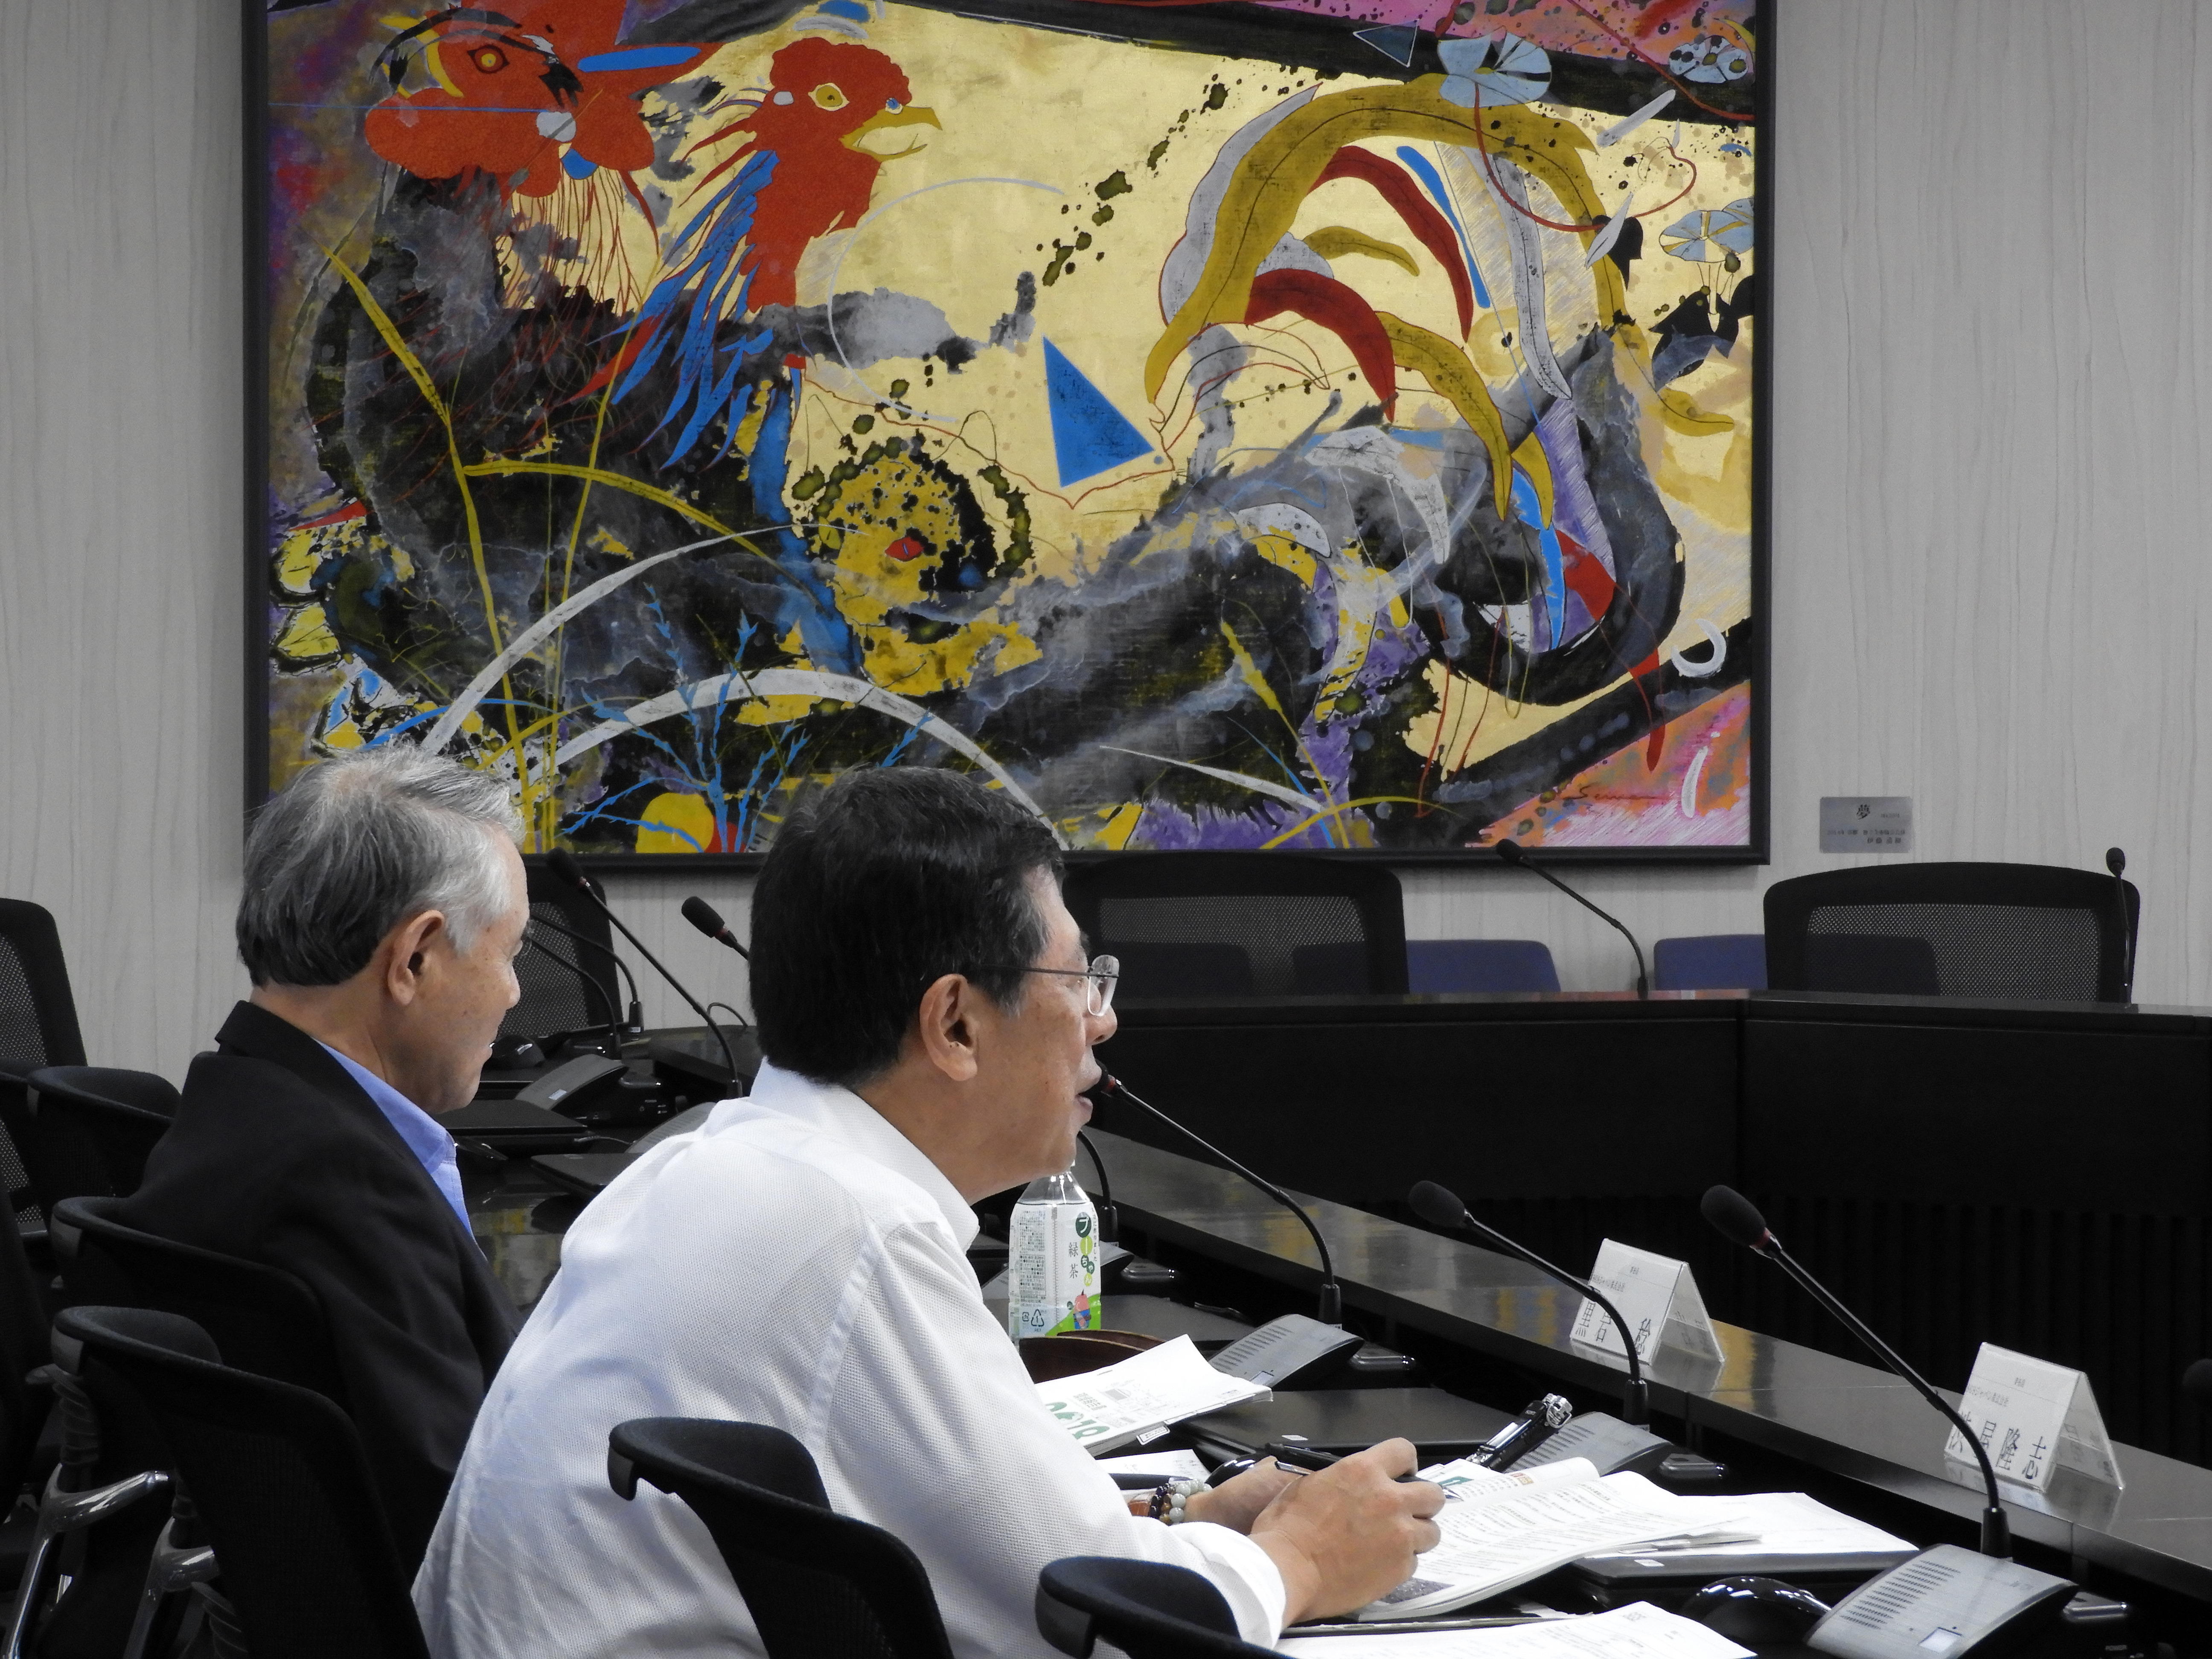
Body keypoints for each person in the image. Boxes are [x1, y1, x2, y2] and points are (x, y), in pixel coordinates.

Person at [415, 768, 1442, 1658]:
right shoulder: (854, 1233)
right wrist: (1303, 1559)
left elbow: (947, 1525)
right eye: (1079, 979)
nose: (1104, 1019)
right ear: (954, 1023)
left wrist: (1180, 1513)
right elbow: (1110, 1624)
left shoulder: (709, 1166)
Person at [112, 747, 527, 1568]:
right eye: (510, 952)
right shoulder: (348, 1184)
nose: (515, 992)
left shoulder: (231, 1097)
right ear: (414, 957)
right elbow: (459, 1518)